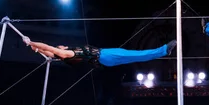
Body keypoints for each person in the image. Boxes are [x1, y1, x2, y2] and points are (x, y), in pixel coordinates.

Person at [22, 36, 177, 68]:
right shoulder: (65, 54)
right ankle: (163, 50)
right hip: (104, 56)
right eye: (59, 46)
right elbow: (48, 48)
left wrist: (33, 47)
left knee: (134, 56)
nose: (61, 45)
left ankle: (162, 51)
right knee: (135, 55)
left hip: (104, 56)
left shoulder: (62, 55)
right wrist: (31, 42)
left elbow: (45, 50)